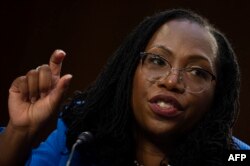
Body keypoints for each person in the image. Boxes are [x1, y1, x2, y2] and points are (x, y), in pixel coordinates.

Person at [0, 8, 249, 166]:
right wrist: (19, 132)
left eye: (197, 72)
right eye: (157, 60)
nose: (171, 81)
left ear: (218, 94)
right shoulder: (80, 136)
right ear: (130, 69)